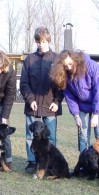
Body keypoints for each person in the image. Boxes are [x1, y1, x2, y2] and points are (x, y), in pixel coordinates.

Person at [50, 49, 99, 179]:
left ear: (75, 59)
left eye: (70, 64)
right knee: (83, 135)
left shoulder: (92, 67)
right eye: (65, 66)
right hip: (82, 105)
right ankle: (84, 166)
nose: (69, 68)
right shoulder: (65, 75)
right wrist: (76, 115)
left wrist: (96, 114)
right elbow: (70, 96)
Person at [20, 26, 63, 173]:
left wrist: (57, 102)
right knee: (29, 136)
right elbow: (24, 83)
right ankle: (32, 162)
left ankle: (49, 164)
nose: (40, 44)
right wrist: (30, 99)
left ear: (48, 40)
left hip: (51, 107)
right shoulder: (29, 60)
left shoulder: (57, 59)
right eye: (38, 41)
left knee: (50, 138)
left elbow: (62, 84)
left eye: (43, 41)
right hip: (32, 106)